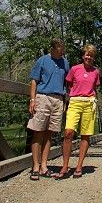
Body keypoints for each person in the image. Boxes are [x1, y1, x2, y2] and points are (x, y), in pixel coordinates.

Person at [55, 43, 100, 179]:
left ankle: (79, 166)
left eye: (91, 55)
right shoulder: (74, 69)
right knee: (68, 132)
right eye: (87, 54)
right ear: (83, 55)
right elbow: (69, 85)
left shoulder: (95, 72)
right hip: (75, 101)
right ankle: (65, 165)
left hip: (88, 103)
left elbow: (95, 88)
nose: (89, 57)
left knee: (85, 135)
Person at [27, 39, 69, 181]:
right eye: (58, 50)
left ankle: (44, 166)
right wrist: (32, 100)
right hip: (43, 97)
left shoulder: (65, 62)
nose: (60, 52)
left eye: (62, 50)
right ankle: (35, 166)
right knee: (38, 132)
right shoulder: (42, 60)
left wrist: (66, 101)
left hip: (58, 99)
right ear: (52, 49)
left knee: (49, 134)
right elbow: (34, 80)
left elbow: (68, 82)